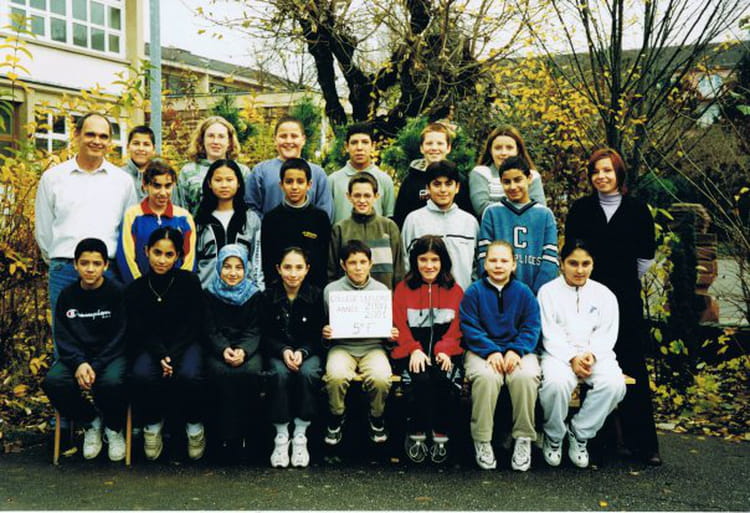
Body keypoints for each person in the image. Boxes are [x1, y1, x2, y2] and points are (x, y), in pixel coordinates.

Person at [565, 147, 661, 466]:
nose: (601, 176)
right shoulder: (581, 210)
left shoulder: (637, 210)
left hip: (625, 300)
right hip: (587, 299)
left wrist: (620, 285)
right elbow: (572, 255)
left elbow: (646, 258)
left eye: (607, 170)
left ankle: (642, 444)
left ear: (619, 173)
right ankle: (597, 442)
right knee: (591, 362)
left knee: (631, 366)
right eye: (595, 171)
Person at [34, 112, 137, 331]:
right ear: (77, 134)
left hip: (108, 271)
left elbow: (128, 230)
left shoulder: (123, 182)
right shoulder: (53, 178)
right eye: (90, 134)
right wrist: (60, 261)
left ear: (109, 141)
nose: (97, 141)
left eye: (103, 136)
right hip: (65, 270)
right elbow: (43, 229)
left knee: (108, 336)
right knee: (66, 338)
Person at [538, 240, 627, 468]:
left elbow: (607, 332)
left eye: (585, 264)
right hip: (558, 355)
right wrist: (571, 357)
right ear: (562, 263)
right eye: (573, 263)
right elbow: (549, 332)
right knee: (556, 384)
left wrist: (592, 355)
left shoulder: (605, 295)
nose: (579, 270)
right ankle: (553, 436)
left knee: (615, 385)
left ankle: (579, 432)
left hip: (595, 355)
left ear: (593, 264)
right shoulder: (548, 292)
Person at [41, 238, 128, 462]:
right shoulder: (67, 295)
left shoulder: (117, 293)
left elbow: (120, 336)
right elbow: (63, 336)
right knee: (54, 381)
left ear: (105, 266)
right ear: (75, 265)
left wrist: (96, 365)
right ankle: (90, 421)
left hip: (109, 356)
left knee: (112, 382)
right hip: (78, 358)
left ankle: (113, 428)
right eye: (84, 263)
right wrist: (79, 363)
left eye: (96, 263)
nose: (90, 269)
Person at [126, 227, 207, 461]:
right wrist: (160, 354)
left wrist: (173, 355)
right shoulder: (136, 289)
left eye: (169, 254)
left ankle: (194, 424)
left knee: (190, 374)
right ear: (146, 251)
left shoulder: (189, 281)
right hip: (152, 347)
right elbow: (140, 328)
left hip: (185, 344)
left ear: (178, 256)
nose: (162, 260)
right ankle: (152, 423)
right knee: (142, 374)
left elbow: (194, 323)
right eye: (157, 252)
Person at [460, 240, 541, 471]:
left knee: (525, 377)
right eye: (493, 260)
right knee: (487, 377)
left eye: (504, 261)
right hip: (482, 351)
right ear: (485, 264)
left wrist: (516, 350)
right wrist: (491, 350)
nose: (498, 265)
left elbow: (532, 326)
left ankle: (523, 438)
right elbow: (469, 327)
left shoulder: (524, 292)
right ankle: (482, 439)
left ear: (514, 265)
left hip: (519, 350)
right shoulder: (474, 292)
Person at [391, 235, 464, 464]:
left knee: (443, 379)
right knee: (419, 380)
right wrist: (413, 349)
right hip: (412, 351)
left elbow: (458, 328)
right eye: (423, 259)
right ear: (415, 261)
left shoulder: (455, 290)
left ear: (443, 262)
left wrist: (445, 349)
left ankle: (441, 429)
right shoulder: (403, 289)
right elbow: (398, 324)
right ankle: (417, 428)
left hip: (445, 352)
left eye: (435, 260)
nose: (429, 265)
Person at [322, 240, 398, 446]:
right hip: (342, 347)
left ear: (371, 264)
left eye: (363, 262)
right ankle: (337, 415)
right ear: (343, 265)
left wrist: (390, 335)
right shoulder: (331, 291)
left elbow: (387, 330)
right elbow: (323, 323)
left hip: (373, 347)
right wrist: (325, 333)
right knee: (336, 375)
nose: (358, 267)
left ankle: (376, 416)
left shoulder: (381, 291)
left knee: (381, 377)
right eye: (352, 262)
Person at [262, 247, 325, 468]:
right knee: (278, 374)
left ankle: (300, 434)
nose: (293, 273)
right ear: (278, 269)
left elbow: (319, 334)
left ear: (307, 269)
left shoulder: (316, 295)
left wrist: (302, 352)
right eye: (287, 267)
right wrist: (283, 350)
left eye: (299, 267)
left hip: (308, 352)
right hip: (278, 352)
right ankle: (281, 435)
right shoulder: (268, 296)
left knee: (309, 373)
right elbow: (264, 334)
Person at [204, 244, 263, 462]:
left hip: (247, 348)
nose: (233, 272)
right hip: (219, 348)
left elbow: (256, 329)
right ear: (219, 267)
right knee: (219, 373)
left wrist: (243, 351)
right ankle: (222, 438)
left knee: (251, 373)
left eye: (239, 267)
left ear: (246, 268)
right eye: (227, 266)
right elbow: (209, 328)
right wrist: (224, 349)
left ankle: (248, 436)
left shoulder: (254, 295)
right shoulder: (209, 293)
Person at [477, 156, 558, 294]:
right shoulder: (492, 212)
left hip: (536, 294)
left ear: (529, 178)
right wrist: (497, 291)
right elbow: (484, 258)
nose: (513, 186)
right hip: (499, 294)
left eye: (518, 180)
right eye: (507, 182)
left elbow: (550, 261)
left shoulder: (545, 214)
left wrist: (535, 294)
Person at [401, 160, 479, 291]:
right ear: (428, 188)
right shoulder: (414, 220)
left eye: (448, 184)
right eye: (437, 184)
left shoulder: (470, 222)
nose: (443, 190)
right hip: (424, 298)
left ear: (457, 187)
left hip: (463, 297)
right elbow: (405, 262)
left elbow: (477, 267)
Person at [117, 159, 196, 284]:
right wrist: (138, 287)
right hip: (141, 289)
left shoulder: (184, 217)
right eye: (157, 186)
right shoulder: (132, 216)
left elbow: (189, 259)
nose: (163, 193)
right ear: (145, 185)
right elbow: (126, 257)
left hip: (176, 290)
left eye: (168, 186)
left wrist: (179, 286)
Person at [245, 116, 332, 220]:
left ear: (303, 140)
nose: (288, 141)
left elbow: (325, 211)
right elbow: (251, 209)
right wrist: (268, 225)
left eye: (294, 136)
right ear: (275, 139)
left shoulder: (318, 173)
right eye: (283, 136)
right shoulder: (260, 171)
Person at [261, 158, 331, 288]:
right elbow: (267, 262)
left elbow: (324, 261)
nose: (294, 187)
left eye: (300, 182)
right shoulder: (271, 219)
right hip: (279, 292)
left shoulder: (320, 218)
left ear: (309, 184)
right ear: (281, 185)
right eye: (289, 182)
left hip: (313, 291)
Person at [194, 159, 263, 290]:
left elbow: (257, 260)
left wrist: (258, 290)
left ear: (238, 183)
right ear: (209, 183)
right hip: (207, 293)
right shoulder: (200, 221)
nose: (224, 185)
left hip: (243, 295)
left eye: (229, 180)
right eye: (218, 180)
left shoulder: (251, 219)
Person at [328, 172, 404, 289]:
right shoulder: (340, 229)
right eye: (357, 195)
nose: (362, 200)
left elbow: (399, 270)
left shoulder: (389, 227)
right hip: (348, 297)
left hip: (384, 296)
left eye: (367, 196)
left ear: (376, 196)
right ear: (349, 196)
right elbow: (332, 272)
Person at [392, 122, 474, 228]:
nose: (434, 148)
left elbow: (467, 215)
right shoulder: (410, 180)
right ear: (421, 148)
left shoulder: (459, 179)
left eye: (440, 143)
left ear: (448, 148)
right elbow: (400, 218)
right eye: (429, 143)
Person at [174, 116, 250, 216]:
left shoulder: (242, 171)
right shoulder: (188, 171)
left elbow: (248, 207)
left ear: (229, 142)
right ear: (202, 140)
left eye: (221, 136)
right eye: (210, 136)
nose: (215, 141)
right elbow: (180, 209)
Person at [470, 125, 546, 218]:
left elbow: (540, 211)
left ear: (517, 150)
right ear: (490, 150)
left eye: (509, 148)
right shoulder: (481, 173)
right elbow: (482, 209)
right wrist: (521, 209)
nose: (503, 152)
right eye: (498, 148)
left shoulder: (532, 175)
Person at [327, 123, 395, 224]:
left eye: (365, 142)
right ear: (346, 146)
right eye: (354, 142)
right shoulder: (333, 181)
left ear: (373, 146)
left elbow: (389, 219)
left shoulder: (385, 180)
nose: (359, 147)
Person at [123, 125, 157, 201]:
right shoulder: (118, 176)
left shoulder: (163, 177)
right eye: (136, 143)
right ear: (128, 147)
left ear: (154, 149)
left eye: (146, 144)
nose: (141, 148)